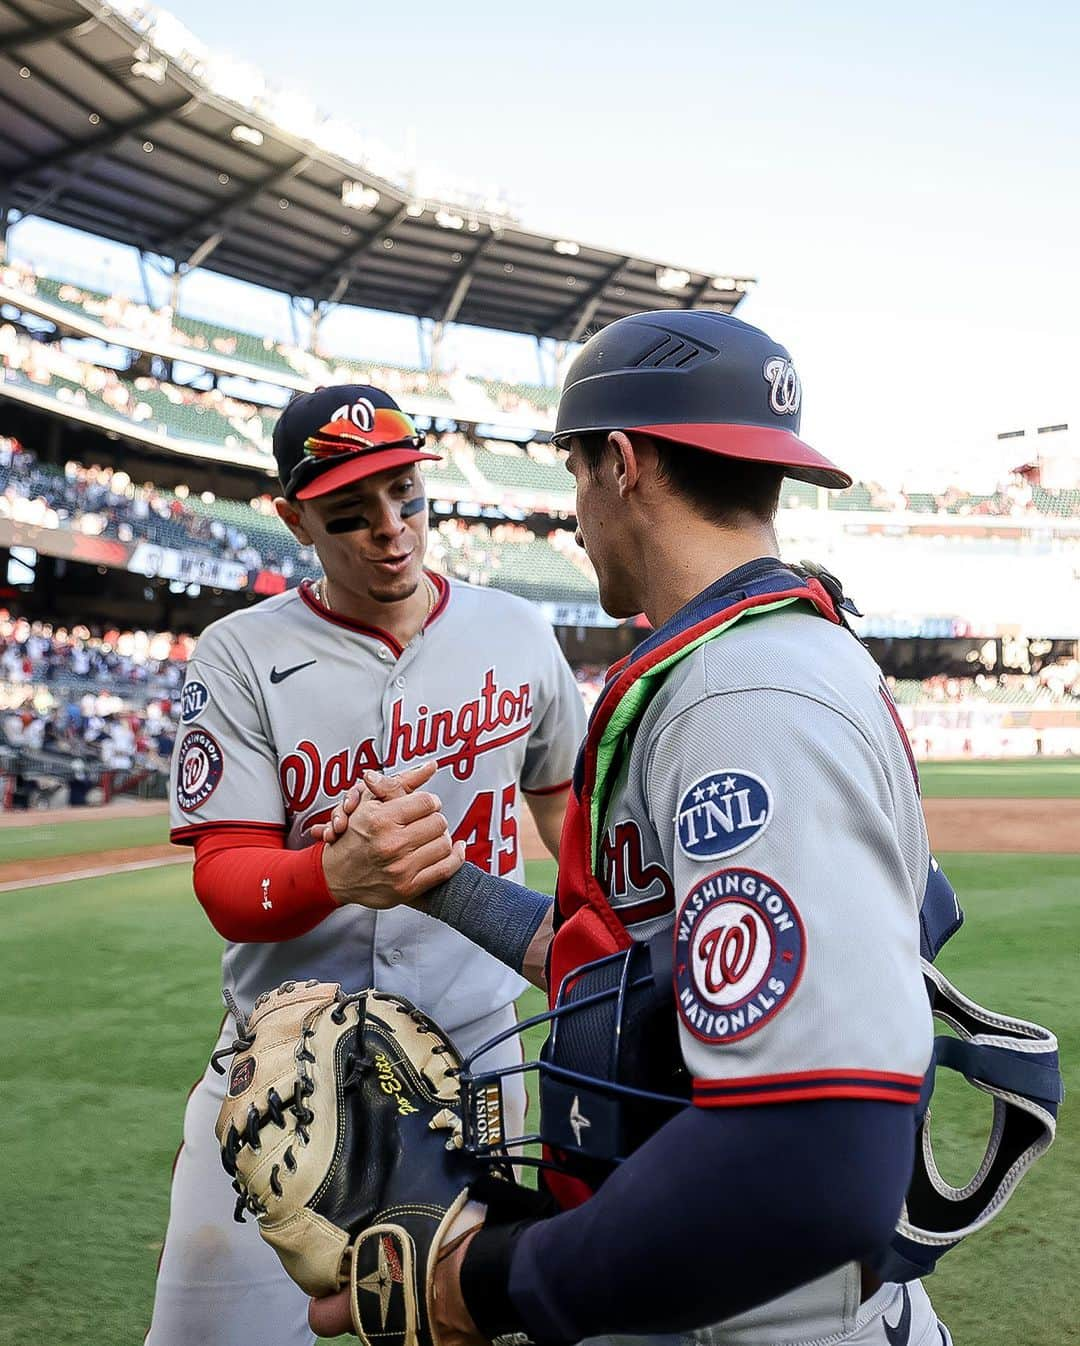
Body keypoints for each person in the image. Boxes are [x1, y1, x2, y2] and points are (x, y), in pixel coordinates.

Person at [312, 312, 954, 1345]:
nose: (574, 513)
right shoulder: (753, 662)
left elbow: (816, 1153)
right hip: (704, 1284)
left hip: (758, 1317)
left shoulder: (744, 697)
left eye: (573, 474)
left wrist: (487, 1280)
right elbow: (641, 974)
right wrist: (443, 882)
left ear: (621, 463)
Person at [147, 385, 586, 1346]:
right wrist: (332, 875)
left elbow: (566, 802)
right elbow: (227, 881)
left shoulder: (514, 630)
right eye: (350, 514)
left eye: (406, 498)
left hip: (472, 1056)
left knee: (479, 1331)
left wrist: (591, 937)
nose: (391, 532)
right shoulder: (240, 656)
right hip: (280, 1067)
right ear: (293, 516)